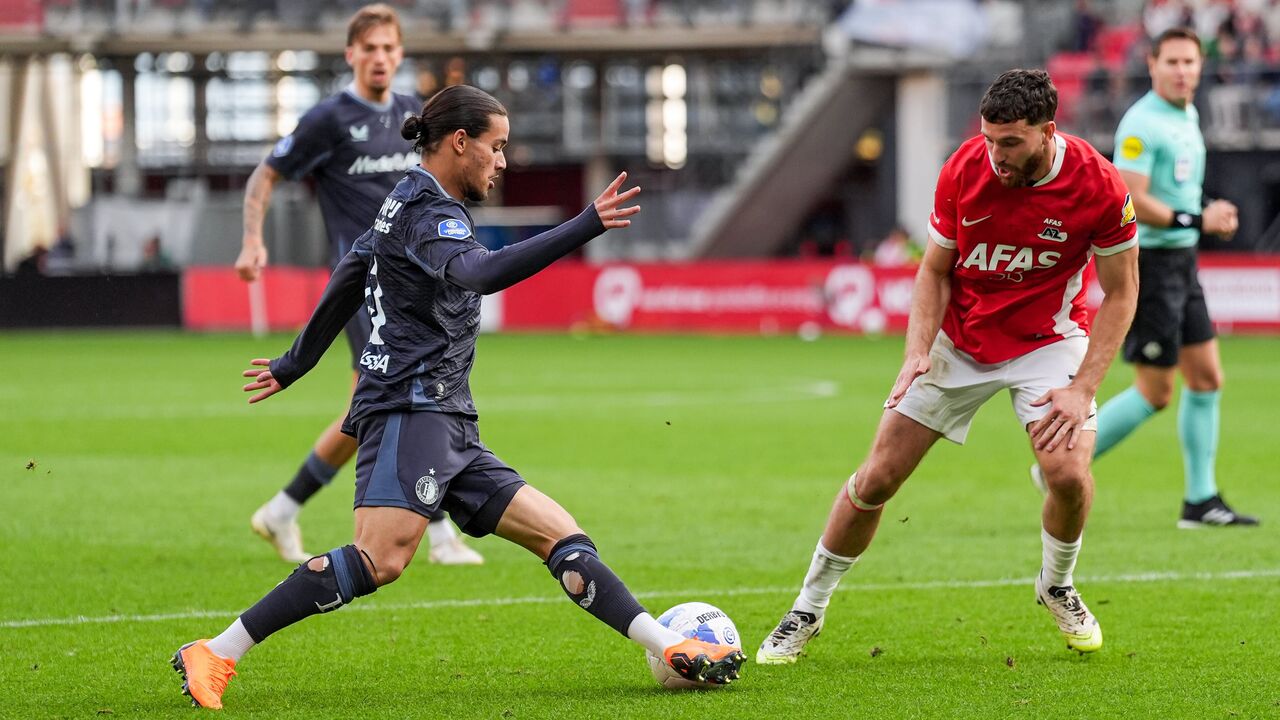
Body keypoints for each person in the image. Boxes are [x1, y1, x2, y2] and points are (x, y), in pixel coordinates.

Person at [170, 85, 746, 709]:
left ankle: (667, 644)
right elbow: (481, 274)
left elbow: (351, 271)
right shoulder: (431, 214)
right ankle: (218, 651)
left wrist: (295, 362)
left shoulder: (406, 199)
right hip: (408, 410)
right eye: (496, 148)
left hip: (446, 417)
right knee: (378, 559)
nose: (504, 162)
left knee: (560, 535)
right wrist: (586, 224)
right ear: (459, 142)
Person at [757, 69, 1139, 664]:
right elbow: (933, 270)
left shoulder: (1100, 186)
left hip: (1047, 341)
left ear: (1047, 132)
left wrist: (1084, 385)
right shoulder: (966, 168)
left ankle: (1056, 584)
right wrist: (918, 351)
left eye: (1010, 143)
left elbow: (1121, 292)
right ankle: (807, 607)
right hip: (958, 341)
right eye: (989, 139)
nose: (996, 156)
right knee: (877, 478)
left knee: (1066, 473)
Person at [236, 3, 482, 565]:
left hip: (417, 287)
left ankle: (284, 509)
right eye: (368, 48)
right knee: (402, 393)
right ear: (351, 54)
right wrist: (253, 240)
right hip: (365, 284)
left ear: (400, 54)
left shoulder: (412, 116)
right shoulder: (330, 119)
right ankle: (439, 531)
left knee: (386, 397)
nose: (379, 57)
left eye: (389, 48)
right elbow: (267, 170)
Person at [1033, 28, 1257, 527]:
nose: (1182, 71)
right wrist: (1197, 219)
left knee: (1206, 378)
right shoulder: (1142, 122)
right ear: (1152, 65)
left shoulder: (1187, 114)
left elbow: (1174, 192)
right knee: (1156, 391)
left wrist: (1201, 210)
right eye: (1172, 61)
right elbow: (1131, 196)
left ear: (1201, 67)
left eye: (1190, 62)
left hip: (1182, 261)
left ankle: (1201, 501)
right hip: (1152, 265)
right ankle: (1052, 465)